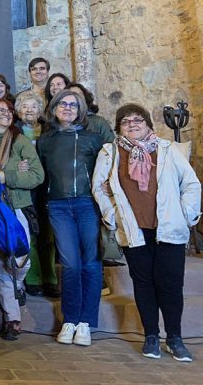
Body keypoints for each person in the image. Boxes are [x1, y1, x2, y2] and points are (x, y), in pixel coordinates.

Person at [92, 104, 200, 362]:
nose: (132, 124)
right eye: (125, 121)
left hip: (168, 228)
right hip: (133, 229)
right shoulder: (110, 152)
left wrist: (185, 215)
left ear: (148, 124)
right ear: (118, 127)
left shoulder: (168, 150)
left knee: (171, 285)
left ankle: (174, 338)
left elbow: (191, 184)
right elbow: (98, 187)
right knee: (144, 284)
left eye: (137, 120)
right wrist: (112, 217)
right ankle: (151, 335)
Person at [37, 90, 104, 346]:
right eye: (62, 104)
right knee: (70, 264)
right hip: (58, 206)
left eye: (73, 105)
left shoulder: (93, 139)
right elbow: (40, 178)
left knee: (90, 263)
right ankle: (69, 320)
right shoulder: (45, 141)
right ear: (54, 108)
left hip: (88, 204)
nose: (67, 108)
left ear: (81, 110)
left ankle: (86, 322)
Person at [0, 98, 45, 340]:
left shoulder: (20, 141)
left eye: (8, 110)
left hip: (17, 209)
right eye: (0, 110)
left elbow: (37, 175)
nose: (6, 114)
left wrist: (10, 176)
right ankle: (12, 318)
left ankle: (18, 285)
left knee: (20, 260)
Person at [14, 90, 58, 299]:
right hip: (26, 189)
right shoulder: (14, 132)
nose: (29, 110)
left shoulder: (51, 129)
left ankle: (50, 279)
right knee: (30, 233)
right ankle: (33, 279)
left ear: (40, 110)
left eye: (33, 106)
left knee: (48, 235)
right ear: (18, 111)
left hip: (49, 188)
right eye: (25, 106)